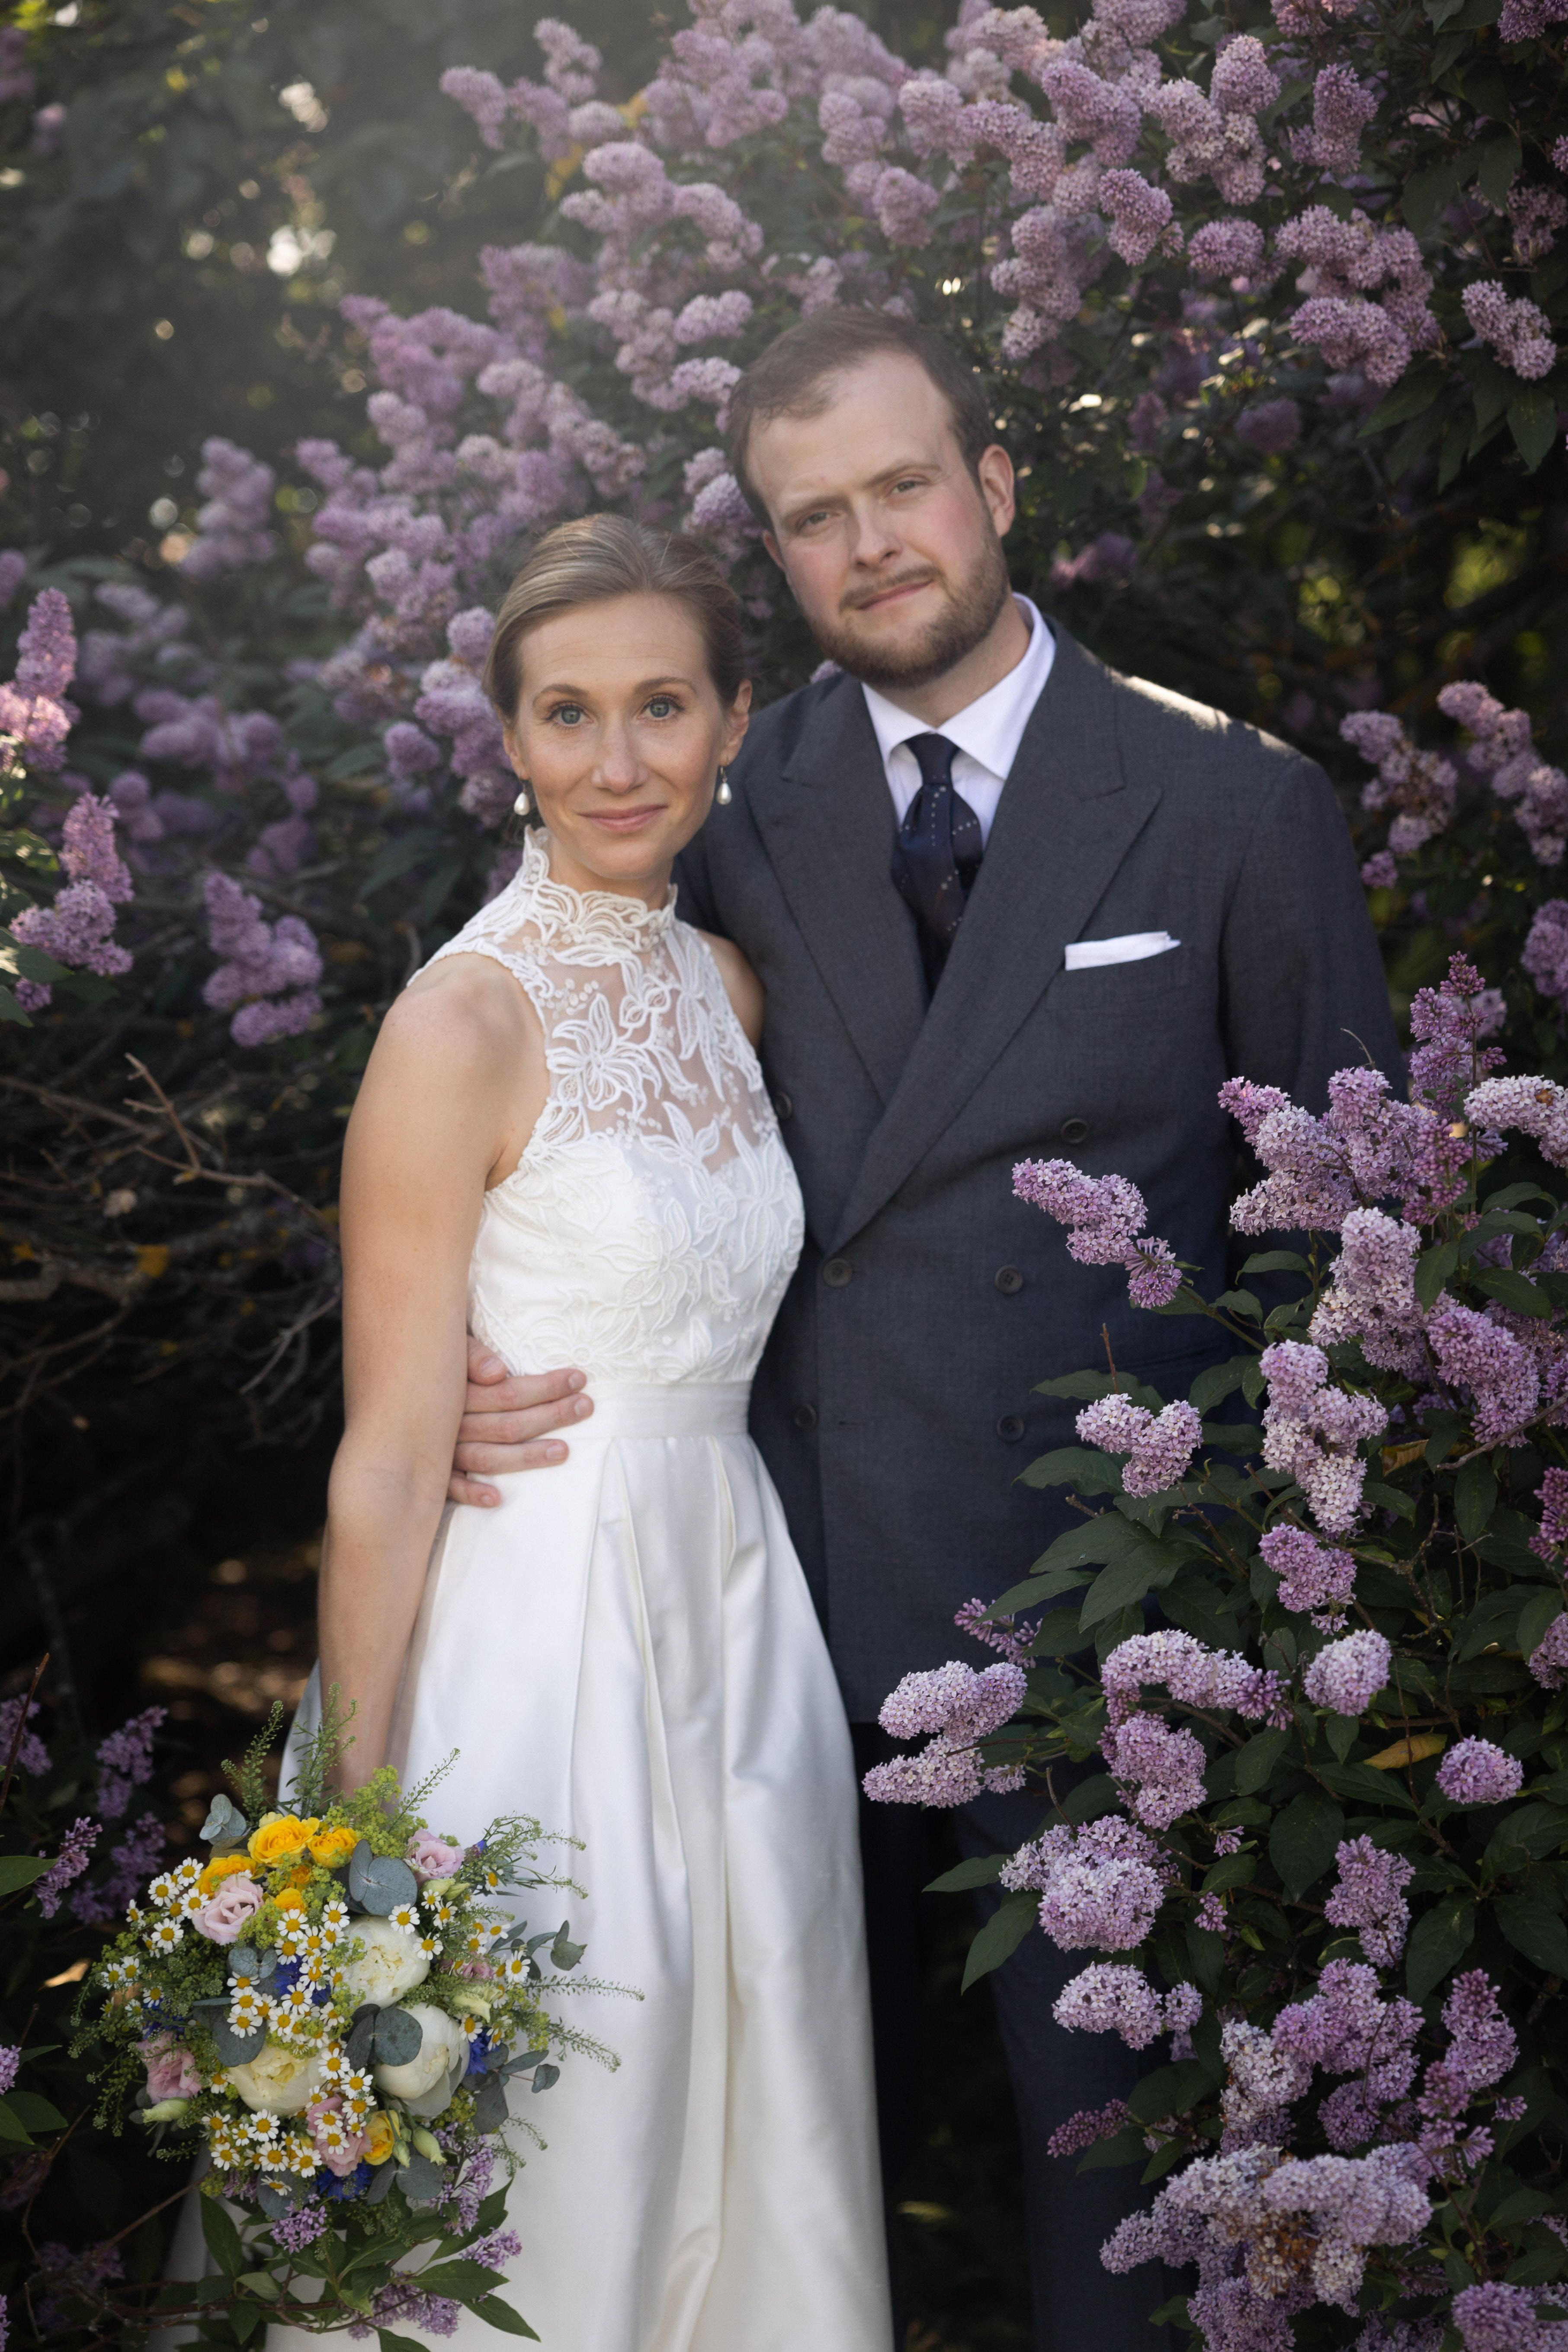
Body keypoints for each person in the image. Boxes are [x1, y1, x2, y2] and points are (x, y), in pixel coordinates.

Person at [446, 312, 1403, 2350]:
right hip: (768, 1612)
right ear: (777, 551)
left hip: (1116, 1625)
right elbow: (570, 1096)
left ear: (995, 482)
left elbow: (1345, 1249)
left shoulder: (1235, 804)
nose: (870, 540)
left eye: (901, 486)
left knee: (1125, 2197)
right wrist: (466, 1355)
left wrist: (1259, 1596)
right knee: (755, 2167)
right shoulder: (724, 800)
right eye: (815, 515)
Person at [290, 515, 892, 2352]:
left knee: (755, 2122)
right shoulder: (459, 1021)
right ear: (509, 738)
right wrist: (339, 1843)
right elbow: (387, 1455)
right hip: (539, 1637)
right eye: (567, 713)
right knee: (555, 2154)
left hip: (740, 1626)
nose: (617, 761)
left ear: (733, 722)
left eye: (660, 707)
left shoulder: (729, 988)